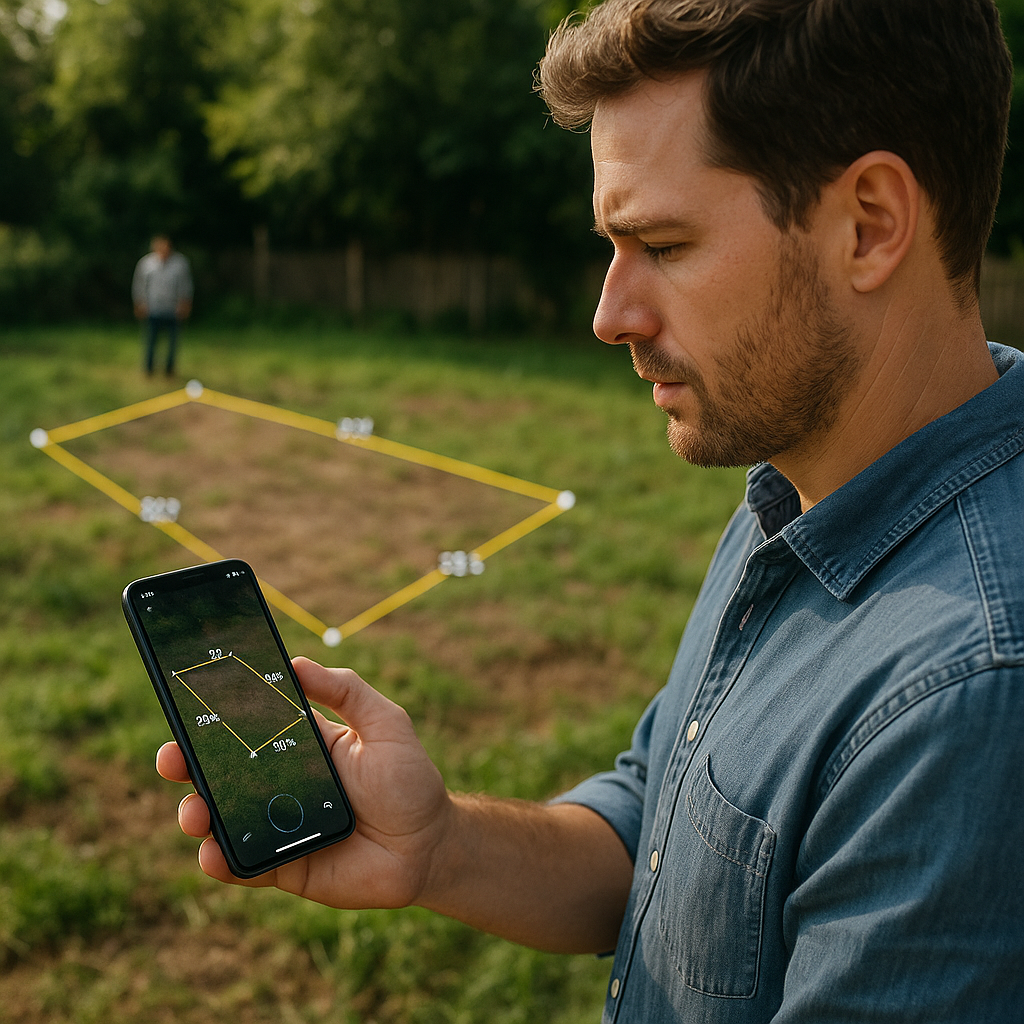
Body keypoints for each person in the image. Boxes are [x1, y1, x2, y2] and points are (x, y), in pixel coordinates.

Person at [155, 1, 1024, 1019]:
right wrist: (437, 843)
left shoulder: (967, 697)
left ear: (869, 224)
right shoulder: (796, 491)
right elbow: (656, 826)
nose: (610, 315)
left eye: (661, 242)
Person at [132, 234, 193, 376]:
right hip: (153, 308)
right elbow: (139, 285)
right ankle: (148, 370)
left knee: (173, 343)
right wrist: (139, 303)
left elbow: (186, 285)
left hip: (173, 309)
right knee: (150, 341)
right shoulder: (146, 263)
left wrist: (185, 304)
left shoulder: (180, 263)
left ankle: (169, 371)